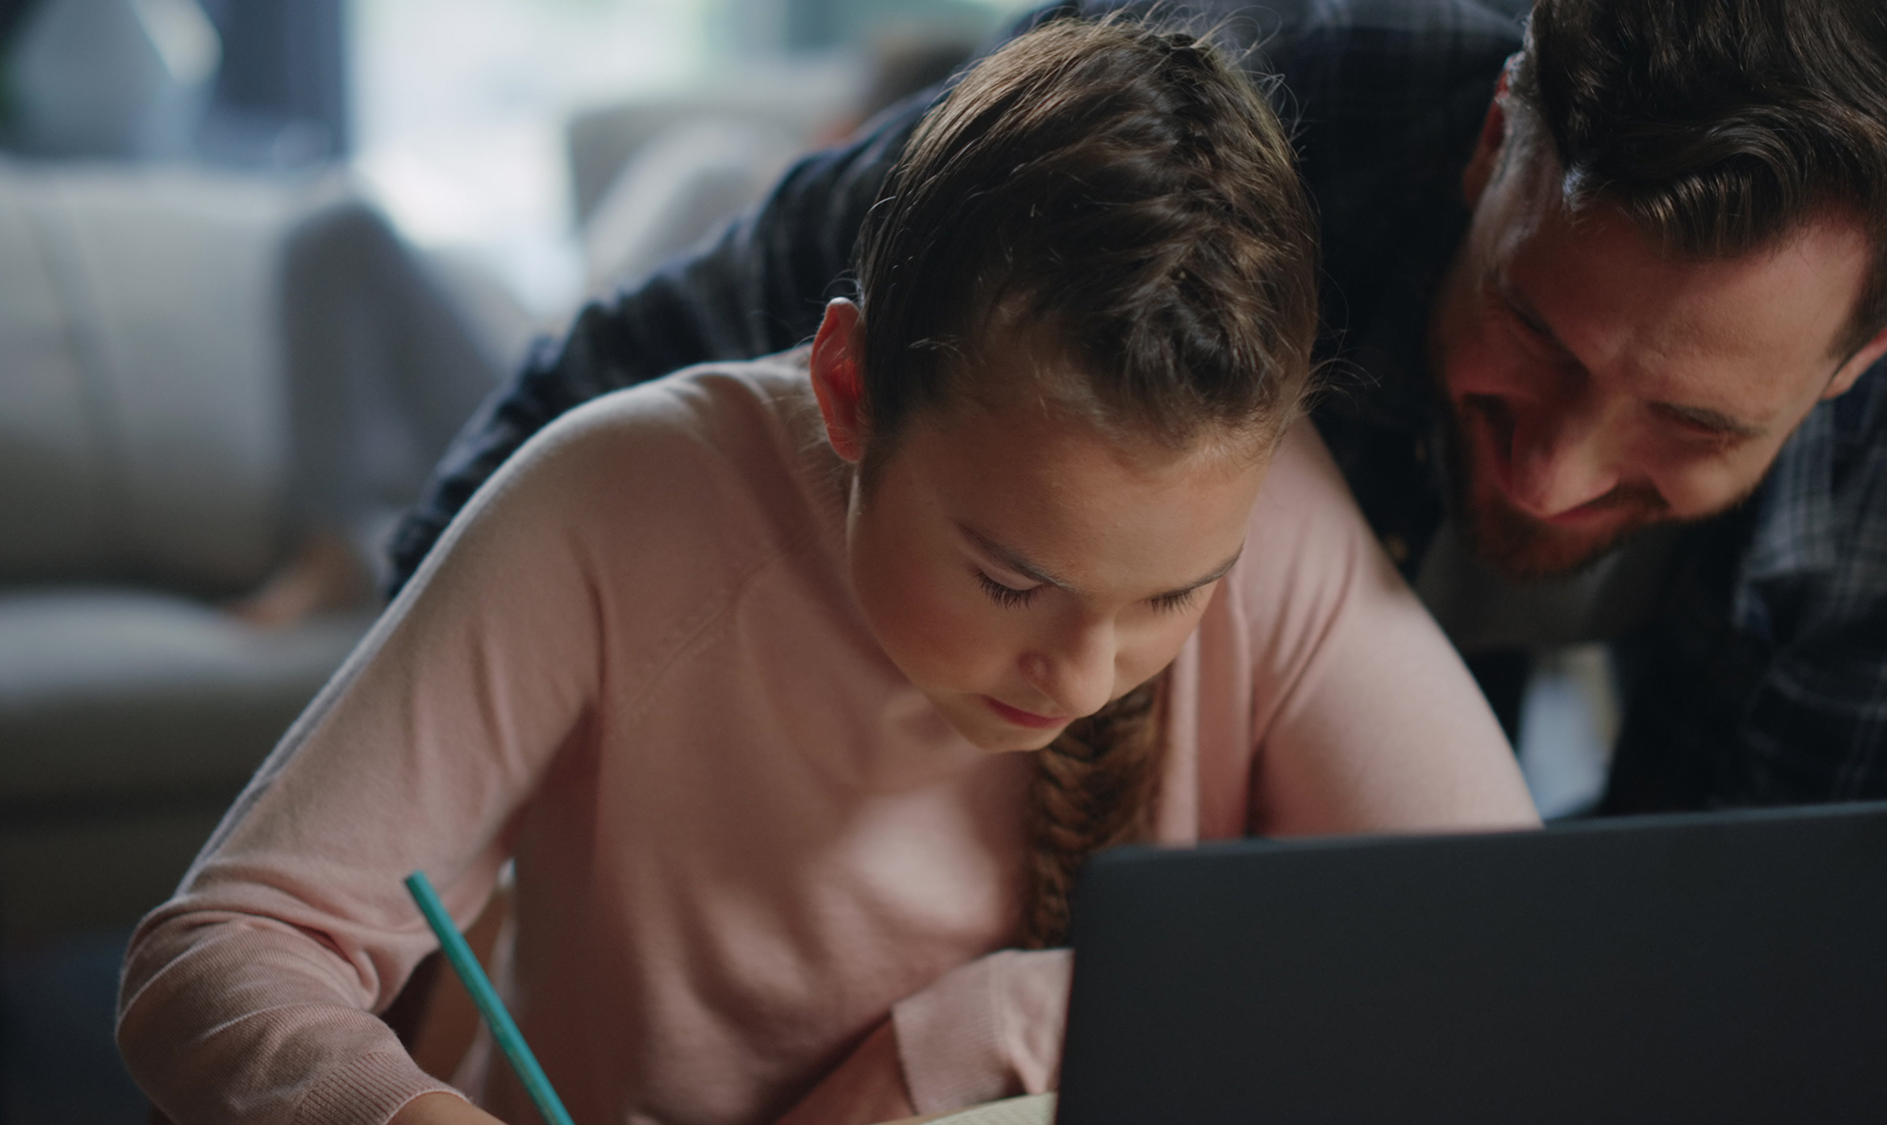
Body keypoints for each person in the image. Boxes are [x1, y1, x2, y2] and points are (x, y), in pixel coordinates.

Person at [117, 18, 1536, 1125]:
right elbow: (220, 950)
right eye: (1006, 576)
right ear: (849, 389)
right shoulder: (618, 501)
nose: (1087, 674)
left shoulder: (1275, 507)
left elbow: (1501, 971)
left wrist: (967, 1041)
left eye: (1174, 596)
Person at [389, 0, 1887, 815]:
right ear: (1499, 139)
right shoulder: (1215, 100)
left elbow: (1715, 959)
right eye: (1535, 333)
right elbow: (618, 376)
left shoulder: (1865, 501)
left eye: (1694, 425)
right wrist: (435, 782)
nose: (1560, 469)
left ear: (1854, 367)